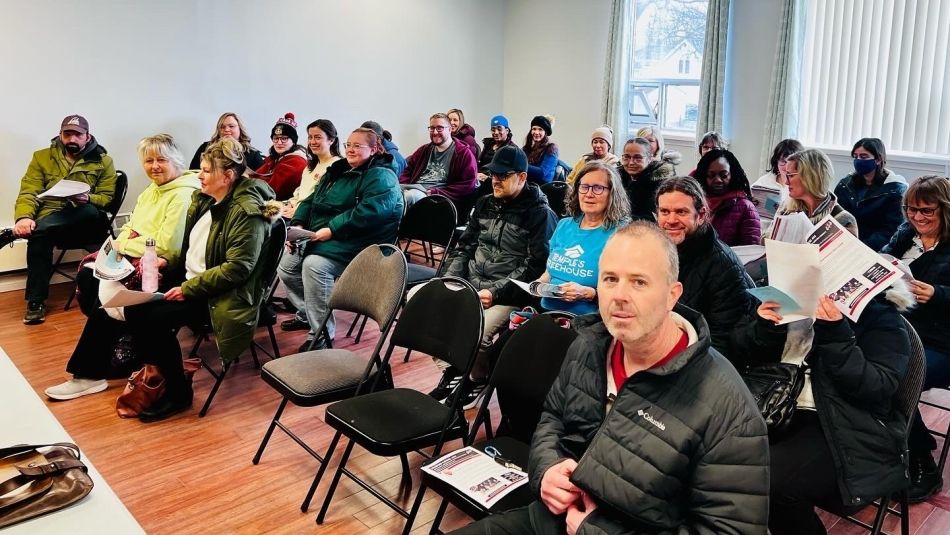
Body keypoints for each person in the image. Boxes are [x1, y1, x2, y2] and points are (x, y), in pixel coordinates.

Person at [451, 222, 769, 535]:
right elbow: (553, 418)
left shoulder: (729, 410)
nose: (619, 295)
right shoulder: (588, 346)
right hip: (546, 520)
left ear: (672, 294)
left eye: (639, 282)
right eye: (610, 279)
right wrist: (546, 469)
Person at [44, 138, 279, 422]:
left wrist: (187, 287)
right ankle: (107, 370)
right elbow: (192, 250)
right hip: (193, 278)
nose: (198, 175)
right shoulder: (209, 199)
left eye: (205, 170)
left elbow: (237, 270)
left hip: (221, 295)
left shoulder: (245, 212)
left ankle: (178, 393)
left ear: (227, 176)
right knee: (119, 299)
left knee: (145, 315)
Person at [731, 283, 913, 534]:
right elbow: (737, 352)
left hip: (846, 427)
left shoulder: (878, 314)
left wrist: (837, 333)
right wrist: (763, 327)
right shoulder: (786, 295)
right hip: (774, 406)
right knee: (709, 452)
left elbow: (877, 386)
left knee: (767, 480)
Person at [432, 145, 557, 409]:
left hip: (509, 294)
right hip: (473, 284)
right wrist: (448, 281)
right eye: (493, 174)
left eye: (504, 175)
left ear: (522, 177)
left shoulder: (539, 214)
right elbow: (464, 247)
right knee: (427, 307)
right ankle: (456, 368)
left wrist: (495, 293)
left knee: (476, 330)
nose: (495, 180)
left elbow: (534, 267)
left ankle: (478, 377)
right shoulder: (484, 203)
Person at [278, 127, 404, 351]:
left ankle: (322, 335)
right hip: (327, 235)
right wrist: (298, 224)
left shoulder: (382, 175)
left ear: (374, 149)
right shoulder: (338, 170)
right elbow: (310, 200)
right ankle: (308, 313)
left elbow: (370, 212)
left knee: (314, 266)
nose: (351, 149)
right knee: (286, 266)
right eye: (348, 145)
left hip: (363, 244)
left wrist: (332, 229)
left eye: (358, 145)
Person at [0, 115, 117, 324]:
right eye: (67, 134)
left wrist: (87, 198)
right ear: (61, 134)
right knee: (40, 235)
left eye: (78, 134)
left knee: (89, 211)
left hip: (85, 223)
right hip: (51, 223)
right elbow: (29, 192)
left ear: (87, 136)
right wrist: (24, 218)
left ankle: (16, 234)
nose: (72, 138)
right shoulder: (42, 157)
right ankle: (35, 302)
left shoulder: (103, 161)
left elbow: (107, 198)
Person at [74, 134, 200, 318]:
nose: (154, 166)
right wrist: (119, 244)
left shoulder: (182, 196)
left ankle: (120, 333)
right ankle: (112, 330)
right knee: (87, 275)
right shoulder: (152, 188)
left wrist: (122, 246)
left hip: (159, 261)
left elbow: (166, 246)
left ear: (176, 161)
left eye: (161, 160)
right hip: (136, 250)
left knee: (96, 281)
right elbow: (131, 225)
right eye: (149, 160)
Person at [880, 175, 950, 502]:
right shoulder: (907, 231)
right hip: (903, 330)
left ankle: (922, 462)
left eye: (927, 211)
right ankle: (889, 443)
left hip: (941, 342)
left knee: (892, 381)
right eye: (911, 210)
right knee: (853, 368)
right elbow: (883, 259)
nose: (917, 217)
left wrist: (937, 294)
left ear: (945, 210)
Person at [655, 176, 754, 358]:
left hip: (696, 361)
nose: (671, 220)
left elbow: (721, 341)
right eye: (664, 211)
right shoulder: (655, 250)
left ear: (700, 215)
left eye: (681, 212)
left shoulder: (723, 265)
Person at [535, 161, 630, 315]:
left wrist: (587, 293)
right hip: (546, 311)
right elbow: (549, 273)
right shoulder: (564, 225)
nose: (589, 194)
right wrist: (538, 285)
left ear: (612, 193)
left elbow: (623, 290)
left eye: (598, 188)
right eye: (584, 187)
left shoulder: (621, 234)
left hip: (588, 320)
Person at [834, 138, 908, 250]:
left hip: (874, 249)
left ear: (878, 159)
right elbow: (836, 216)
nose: (858, 160)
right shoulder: (846, 185)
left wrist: (860, 247)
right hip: (844, 244)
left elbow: (891, 230)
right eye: (855, 156)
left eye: (864, 157)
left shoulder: (894, 191)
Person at [770, 148, 858, 238]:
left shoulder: (842, 219)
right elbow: (766, 238)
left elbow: (846, 252)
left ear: (810, 177)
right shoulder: (786, 208)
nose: (786, 182)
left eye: (791, 176)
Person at [399, 113, 478, 210]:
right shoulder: (423, 150)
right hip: (414, 190)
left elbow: (468, 184)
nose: (435, 132)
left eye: (440, 128)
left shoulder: (463, 154)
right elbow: (407, 171)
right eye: (432, 128)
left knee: (409, 197)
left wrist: (436, 192)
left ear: (449, 129)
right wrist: (406, 186)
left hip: (439, 199)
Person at [694, 148, 762, 246]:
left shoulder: (746, 208)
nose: (718, 180)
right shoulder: (695, 203)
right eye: (711, 175)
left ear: (732, 176)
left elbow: (750, 252)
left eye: (724, 175)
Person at [279, 119, 341, 219]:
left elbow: (324, 201)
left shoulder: (337, 165)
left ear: (331, 140)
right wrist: (288, 204)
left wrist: (298, 211)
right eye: (310, 137)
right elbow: (299, 194)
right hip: (295, 212)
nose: (312, 142)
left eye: (317, 137)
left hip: (309, 218)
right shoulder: (309, 166)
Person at [253, 112, 308, 201]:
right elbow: (254, 176)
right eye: (276, 138)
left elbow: (271, 191)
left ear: (293, 141)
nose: (279, 143)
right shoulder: (274, 158)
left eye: (284, 138)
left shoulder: (297, 162)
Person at [188, 112, 265, 171]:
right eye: (222, 127)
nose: (226, 130)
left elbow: (262, 181)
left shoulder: (253, 154)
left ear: (240, 129)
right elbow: (193, 173)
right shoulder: (205, 148)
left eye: (231, 126)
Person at [617, 137, 665, 221]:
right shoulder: (616, 178)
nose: (631, 162)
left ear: (650, 158)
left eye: (638, 158)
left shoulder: (659, 184)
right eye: (626, 157)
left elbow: (651, 218)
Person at [475, 115, 517, 197]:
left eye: (499, 129)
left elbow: (508, 174)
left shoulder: (511, 149)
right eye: (493, 130)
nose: (496, 132)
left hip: (497, 183)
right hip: (480, 180)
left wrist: (488, 178)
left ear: (507, 130)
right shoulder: (488, 144)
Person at [523, 115, 560, 185]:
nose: (536, 132)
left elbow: (542, 173)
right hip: (528, 186)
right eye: (534, 129)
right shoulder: (528, 148)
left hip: (543, 189)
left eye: (540, 129)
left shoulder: (552, 148)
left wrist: (520, 165)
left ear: (545, 132)